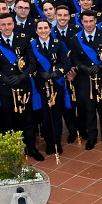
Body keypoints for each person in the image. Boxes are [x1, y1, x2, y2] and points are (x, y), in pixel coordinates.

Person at [0, 14, 44, 161]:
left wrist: (22, 76)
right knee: (8, 121)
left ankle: (31, 147)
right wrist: (5, 79)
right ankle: (13, 152)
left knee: (27, 119)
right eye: (3, 25)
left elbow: (32, 63)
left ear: (14, 24)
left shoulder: (23, 39)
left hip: (23, 86)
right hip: (5, 89)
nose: (6, 27)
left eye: (9, 24)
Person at [72, 9, 102, 150]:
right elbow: (74, 58)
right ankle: (92, 137)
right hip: (85, 80)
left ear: (96, 21)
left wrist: (101, 67)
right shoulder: (75, 38)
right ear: (81, 22)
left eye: (91, 21)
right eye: (85, 21)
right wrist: (83, 68)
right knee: (89, 110)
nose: (88, 24)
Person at [30, 18, 72, 157]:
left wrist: (55, 73)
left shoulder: (57, 44)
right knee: (45, 116)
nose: (43, 31)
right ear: (36, 31)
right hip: (40, 86)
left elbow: (66, 64)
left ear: (50, 29)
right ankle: (49, 142)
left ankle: (57, 142)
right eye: (40, 29)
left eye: (46, 28)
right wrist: (39, 74)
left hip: (57, 84)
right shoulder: (31, 46)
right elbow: (30, 65)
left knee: (56, 114)